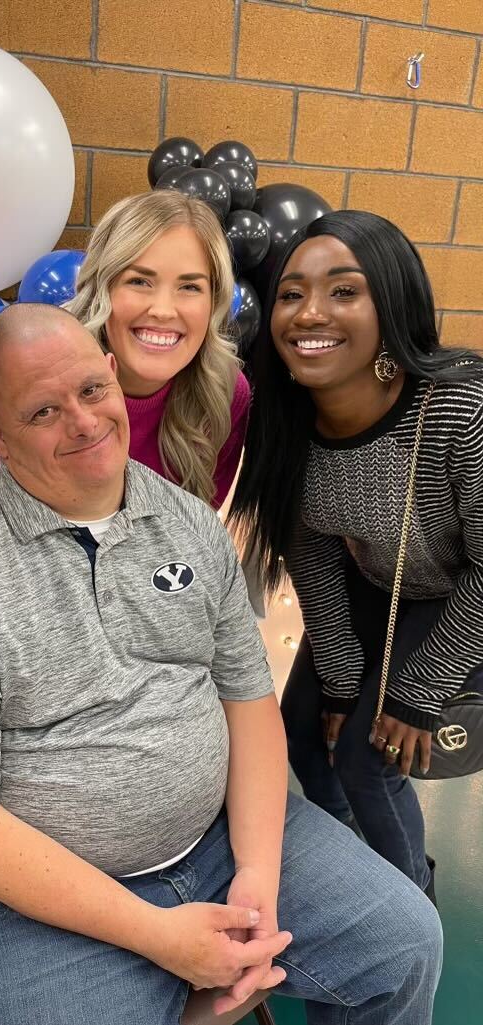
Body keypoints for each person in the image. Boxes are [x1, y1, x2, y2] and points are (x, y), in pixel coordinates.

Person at [0, 302, 441, 1025]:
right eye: (42, 411)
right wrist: (163, 940)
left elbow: (248, 703)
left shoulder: (186, 521)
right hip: (33, 904)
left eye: (91, 390)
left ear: (115, 375)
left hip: (214, 841)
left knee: (404, 945)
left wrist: (257, 876)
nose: (83, 422)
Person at [230, 209, 483, 895]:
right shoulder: (286, 422)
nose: (310, 312)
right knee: (306, 737)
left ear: (392, 302)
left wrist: (418, 691)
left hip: (461, 595)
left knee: (371, 758)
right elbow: (310, 552)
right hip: (380, 583)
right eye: (291, 293)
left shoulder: (460, 407)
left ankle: (409, 914)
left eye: (344, 290)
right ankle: (361, 880)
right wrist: (341, 680)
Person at [0, 190, 249, 513]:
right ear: (101, 288)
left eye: (190, 287)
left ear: (213, 302)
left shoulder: (224, 392)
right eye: (139, 282)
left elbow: (197, 527)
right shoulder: (16, 379)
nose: (163, 310)